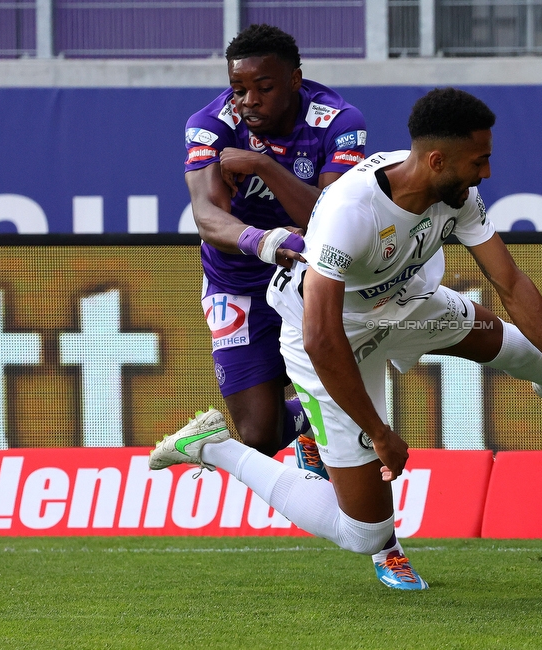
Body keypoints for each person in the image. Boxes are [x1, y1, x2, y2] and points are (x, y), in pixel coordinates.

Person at [154, 88, 542, 591]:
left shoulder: (459, 193)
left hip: (406, 302)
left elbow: (511, 284)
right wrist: (379, 431)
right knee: (365, 533)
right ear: (436, 160)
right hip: (331, 339)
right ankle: (213, 446)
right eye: (481, 161)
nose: (487, 173)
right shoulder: (352, 211)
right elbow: (322, 339)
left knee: (512, 346)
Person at [183, 24, 368, 474]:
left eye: (262, 88)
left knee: (331, 380)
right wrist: (263, 241)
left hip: (309, 278)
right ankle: (305, 422)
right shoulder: (210, 126)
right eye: (238, 89)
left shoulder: (339, 121)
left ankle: (327, 424)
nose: (248, 101)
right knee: (258, 435)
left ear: (294, 81)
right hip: (237, 283)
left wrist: (263, 166)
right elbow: (208, 217)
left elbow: (330, 217)